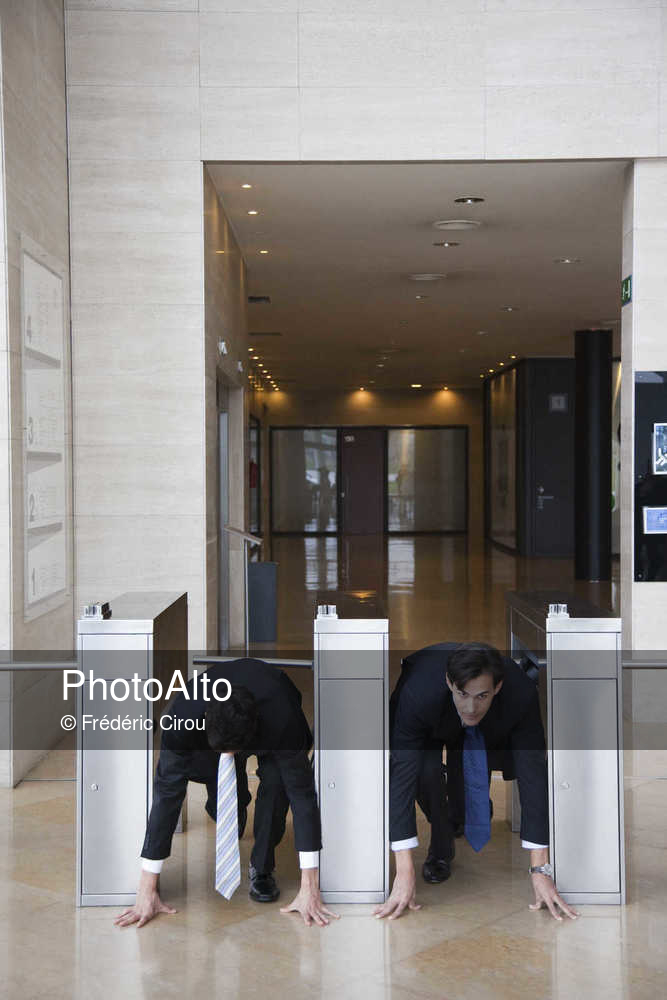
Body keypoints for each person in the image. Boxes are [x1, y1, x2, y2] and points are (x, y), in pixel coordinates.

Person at [114, 658, 338, 929]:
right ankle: (235, 807)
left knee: (278, 785)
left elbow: (302, 797)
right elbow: (166, 796)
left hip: (273, 708)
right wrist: (146, 889)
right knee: (215, 782)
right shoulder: (183, 716)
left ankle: (262, 867)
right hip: (209, 731)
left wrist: (310, 887)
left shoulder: (282, 719)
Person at [375, 641, 578, 922]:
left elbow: (533, 776)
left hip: (487, 724)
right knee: (424, 771)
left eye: (482, 695)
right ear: (450, 683)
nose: (471, 707)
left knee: (466, 777)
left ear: (498, 687)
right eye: (463, 694)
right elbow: (402, 779)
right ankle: (441, 845)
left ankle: (462, 813)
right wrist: (404, 872)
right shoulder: (419, 694)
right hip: (429, 719)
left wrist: (540, 870)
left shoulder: (520, 693)